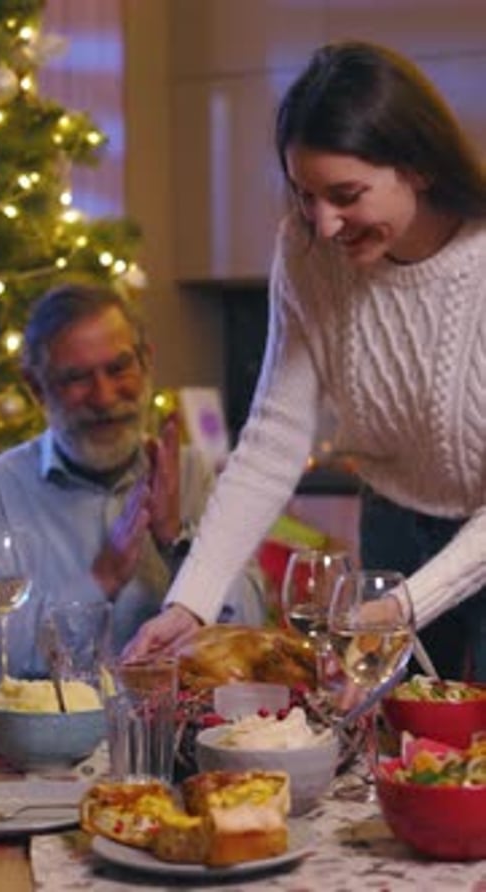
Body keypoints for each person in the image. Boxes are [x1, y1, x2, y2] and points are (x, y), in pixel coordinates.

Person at [127, 39, 486, 682]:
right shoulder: (306, 252)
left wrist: (405, 607)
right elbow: (272, 442)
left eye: (346, 194)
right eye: (305, 194)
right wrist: (192, 601)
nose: (323, 223)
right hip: (393, 530)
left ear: (420, 167)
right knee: (390, 750)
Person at [0, 283, 265, 687]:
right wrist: (101, 579)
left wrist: (176, 541)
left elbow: (251, 622)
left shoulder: (190, 474)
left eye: (118, 368)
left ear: (146, 361)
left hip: (175, 736)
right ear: (36, 388)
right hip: (45, 746)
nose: (103, 396)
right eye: (77, 378)